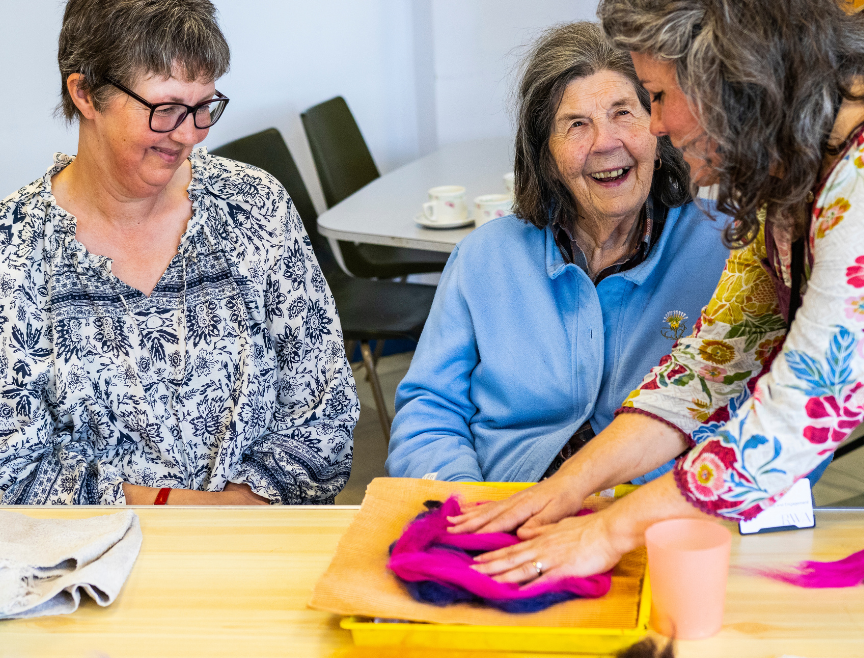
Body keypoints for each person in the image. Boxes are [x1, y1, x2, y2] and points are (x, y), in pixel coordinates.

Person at [451, 0, 864, 585]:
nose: (653, 125)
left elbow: (794, 416)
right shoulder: (797, 178)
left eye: (655, 96)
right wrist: (564, 489)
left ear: (728, 79)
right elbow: (711, 363)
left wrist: (606, 531)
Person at [0, 0, 358, 505]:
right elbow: (13, 472)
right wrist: (185, 513)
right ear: (84, 93)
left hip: (263, 542)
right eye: (164, 109)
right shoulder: (14, 249)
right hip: (92, 567)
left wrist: (238, 513)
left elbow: (324, 407)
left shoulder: (252, 206)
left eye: (203, 107)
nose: (190, 134)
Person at [385, 22, 729, 484]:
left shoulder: (727, 247)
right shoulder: (485, 258)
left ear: (660, 131)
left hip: (660, 517)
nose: (606, 142)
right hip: (506, 505)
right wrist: (464, 506)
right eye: (576, 125)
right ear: (545, 156)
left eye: (624, 113)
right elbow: (430, 409)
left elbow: (765, 413)